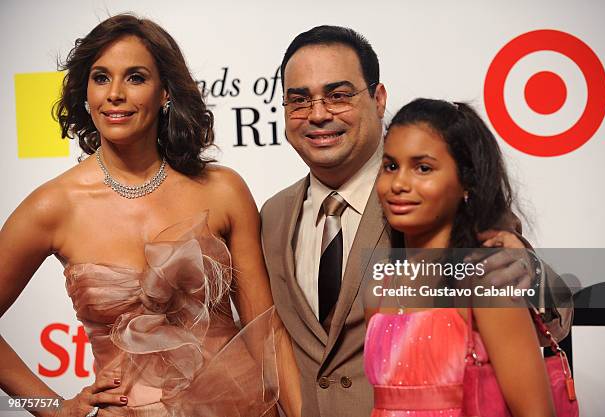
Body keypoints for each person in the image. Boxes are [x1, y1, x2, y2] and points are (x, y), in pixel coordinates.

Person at [260, 25, 572, 417]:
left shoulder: (436, 200)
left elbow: (554, 310)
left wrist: (529, 274)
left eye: (338, 96)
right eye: (300, 100)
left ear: (378, 99)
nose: (318, 114)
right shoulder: (273, 216)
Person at [0, 14, 299, 417]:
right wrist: (54, 408)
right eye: (101, 77)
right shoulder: (53, 206)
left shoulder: (223, 189)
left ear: (165, 93)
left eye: (136, 77)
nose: (115, 94)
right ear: (85, 93)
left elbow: (268, 333)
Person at [365, 98, 555, 417]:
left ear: (466, 182)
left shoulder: (487, 281)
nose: (398, 184)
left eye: (423, 168)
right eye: (391, 166)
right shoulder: (381, 283)